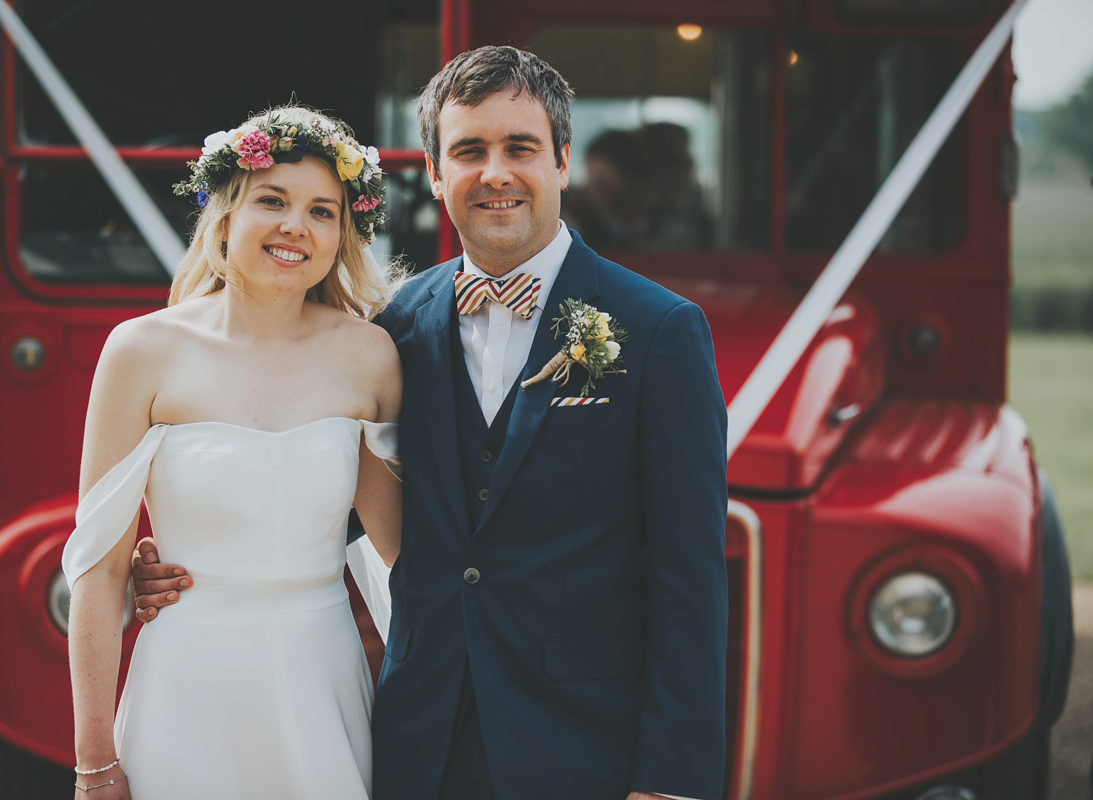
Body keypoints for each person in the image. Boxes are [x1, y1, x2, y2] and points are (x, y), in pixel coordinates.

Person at [135, 46, 728, 800]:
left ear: (563, 162)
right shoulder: (391, 331)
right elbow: (326, 494)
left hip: (586, 743)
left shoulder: (657, 330)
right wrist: (183, 559)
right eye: (469, 151)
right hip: (422, 738)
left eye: (521, 147)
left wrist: (672, 777)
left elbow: (690, 576)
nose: (497, 173)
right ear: (438, 172)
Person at [63, 105, 403, 799]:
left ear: (343, 234)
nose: (294, 227)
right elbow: (97, 572)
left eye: (321, 211)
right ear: (225, 211)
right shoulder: (141, 352)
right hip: (187, 681)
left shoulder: (370, 357)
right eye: (272, 201)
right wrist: (94, 764)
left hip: (322, 679)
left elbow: (407, 553)